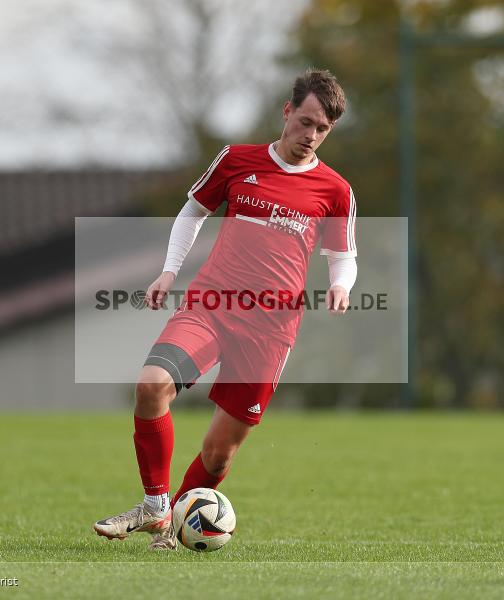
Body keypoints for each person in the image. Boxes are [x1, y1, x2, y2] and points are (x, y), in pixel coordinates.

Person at [93, 69, 358, 550]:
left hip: (271, 330)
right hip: (212, 306)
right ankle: (155, 509)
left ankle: (172, 529)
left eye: (323, 129)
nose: (312, 135)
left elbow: (343, 254)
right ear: (287, 111)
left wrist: (340, 285)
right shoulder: (237, 161)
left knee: (217, 454)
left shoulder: (335, 190)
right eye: (306, 121)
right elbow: (194, 209)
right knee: (151, 386)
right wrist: (170, 271)